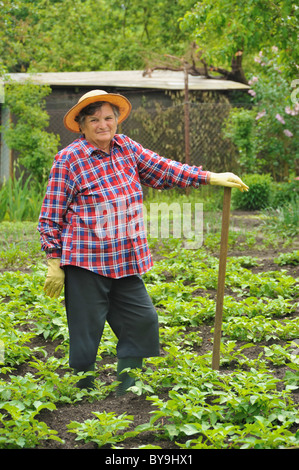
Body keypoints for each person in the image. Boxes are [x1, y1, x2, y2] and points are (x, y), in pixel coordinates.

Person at [38, 89, 248, 396]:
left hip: (125, 259)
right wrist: (54, 262)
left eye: (109, 118)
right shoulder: (69, 160)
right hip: (85, 260)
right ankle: (80, 390)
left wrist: (210, 177)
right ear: (82, 125)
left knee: (142, 319)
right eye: (94, 119)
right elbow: (50, 215)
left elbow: (165, 169)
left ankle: (128, 385)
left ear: (117, 120)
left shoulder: (127, 148)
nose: (102, 125)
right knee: (86, 331)